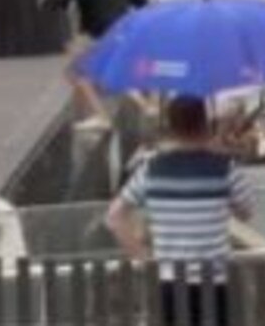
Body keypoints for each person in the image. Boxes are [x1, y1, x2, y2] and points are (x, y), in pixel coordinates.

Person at [106, 96, 255, 326]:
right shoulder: (225, 168)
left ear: (171, 128)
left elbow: (114, 217)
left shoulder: (151, 169)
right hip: (214, 280)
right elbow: (246, 213)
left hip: (169, 281)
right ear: (205, 123)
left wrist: (143, 257)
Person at [39, 0, 149, 130]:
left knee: (75, 72)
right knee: (113, 69)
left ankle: (100, 117)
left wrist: (44, 1)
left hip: (98, 30)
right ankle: (146, 106)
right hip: (123, 27)